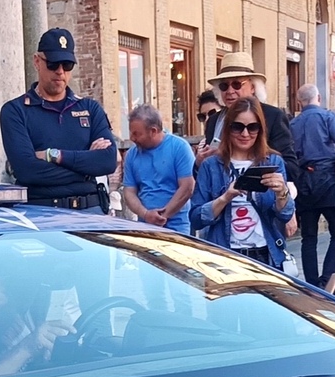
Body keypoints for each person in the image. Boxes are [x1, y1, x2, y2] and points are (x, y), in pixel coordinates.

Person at [0, 28, 117, 210]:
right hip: (41, 211)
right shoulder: (16, 111)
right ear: (37, 62)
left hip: (90, 210)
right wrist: (86, 169)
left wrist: (53, 156)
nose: (60, 71)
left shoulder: (90, 109)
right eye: (53, 64)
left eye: (67, 65)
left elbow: (107, 161)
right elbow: (27, 170)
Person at [190, 97, 294, 269]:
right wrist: (225, 198)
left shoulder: (273, 161)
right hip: (224, 258)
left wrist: (282, 192)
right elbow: (195, 219)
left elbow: (285, 215)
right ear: (228, 128)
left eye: (252, 127)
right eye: (238, 127)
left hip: (265, 256)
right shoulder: (211, 165)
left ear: (261, 129)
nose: (245, 134)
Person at [196, 53, 300, 186]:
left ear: (253, 87)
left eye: (236, 84)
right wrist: (200, 162)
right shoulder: (214, 120)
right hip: (221, 199)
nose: (230, 91)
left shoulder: (273, 116)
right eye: (224, 86)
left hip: (262, 198)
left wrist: (252, 155)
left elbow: (292, 169)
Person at [290, 83, 335, 285]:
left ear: (299, 102)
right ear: (318, 98)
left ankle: (311, 282)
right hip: (330, 178)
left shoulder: (293, 124)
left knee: (308, 237)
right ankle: (328, 278)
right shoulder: (328, 117)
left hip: (304, 181)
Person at [121, 105, 195, 233]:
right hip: (144, 227)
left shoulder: (179, 147)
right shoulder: (132, 155)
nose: (132, 139)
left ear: (153, 131)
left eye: (136, 134)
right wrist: (145, 214)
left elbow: (188, 187)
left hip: (177, 227)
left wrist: (162, 215)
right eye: (131, 133)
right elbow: (129, 192)